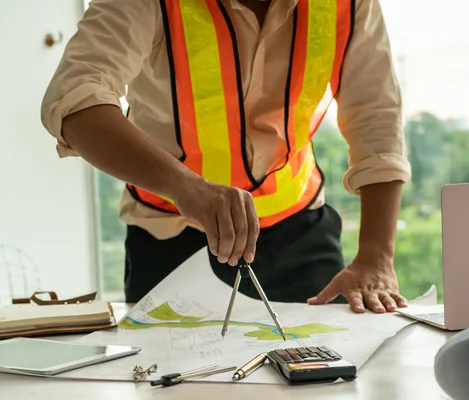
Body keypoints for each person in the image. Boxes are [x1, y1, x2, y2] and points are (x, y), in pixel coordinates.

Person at [41, 0, 412, 314]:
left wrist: (376, 257)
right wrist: (185, 187)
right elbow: (75, 100)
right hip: (173, 239)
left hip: (302, 233)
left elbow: (376, 116)